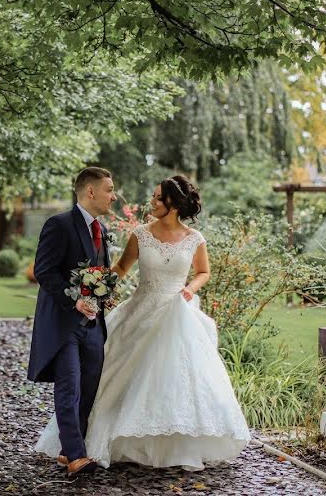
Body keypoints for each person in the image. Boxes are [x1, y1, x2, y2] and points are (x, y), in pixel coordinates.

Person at [36, 175, 251, 471]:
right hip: (140, 309)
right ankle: (91, 441)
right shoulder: (140, 234)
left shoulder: (195, 239)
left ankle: (169, 441)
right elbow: (121, 267)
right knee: (114, 373)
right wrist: (96, 289)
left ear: (172, 204)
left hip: (176, 311)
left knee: (174, 377)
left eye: (157, 197)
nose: (151, 201)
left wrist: (191, 288)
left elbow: (203, 272)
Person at [27, 166, 118, 475]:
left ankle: (68, 451)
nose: (113, 195)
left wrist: (103, 296)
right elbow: (44, 271)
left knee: (89, 387)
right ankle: (78, 458)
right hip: (63, 323)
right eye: (109, 189)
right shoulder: (59, 224)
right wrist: (74, 300)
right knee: (70, 386)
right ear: (90, 191)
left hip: (93, 324)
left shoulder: (102, 231)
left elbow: (99, 273)